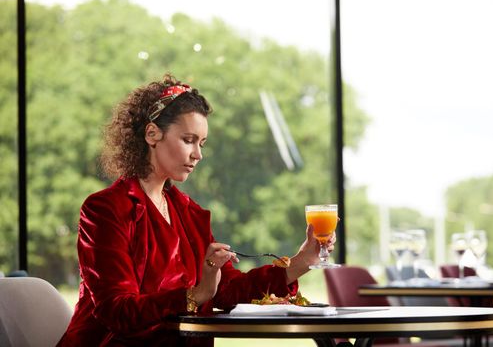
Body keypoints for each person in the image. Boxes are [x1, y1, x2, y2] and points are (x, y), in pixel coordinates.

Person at [58, 74, 336, 346]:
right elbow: (116, 311)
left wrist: (301, 262)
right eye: (188, 140)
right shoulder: (105, 209)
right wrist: (194, 294)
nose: (198, 155)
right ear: (152, 134)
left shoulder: (189, 213)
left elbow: (225, 291)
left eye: (201, 144)